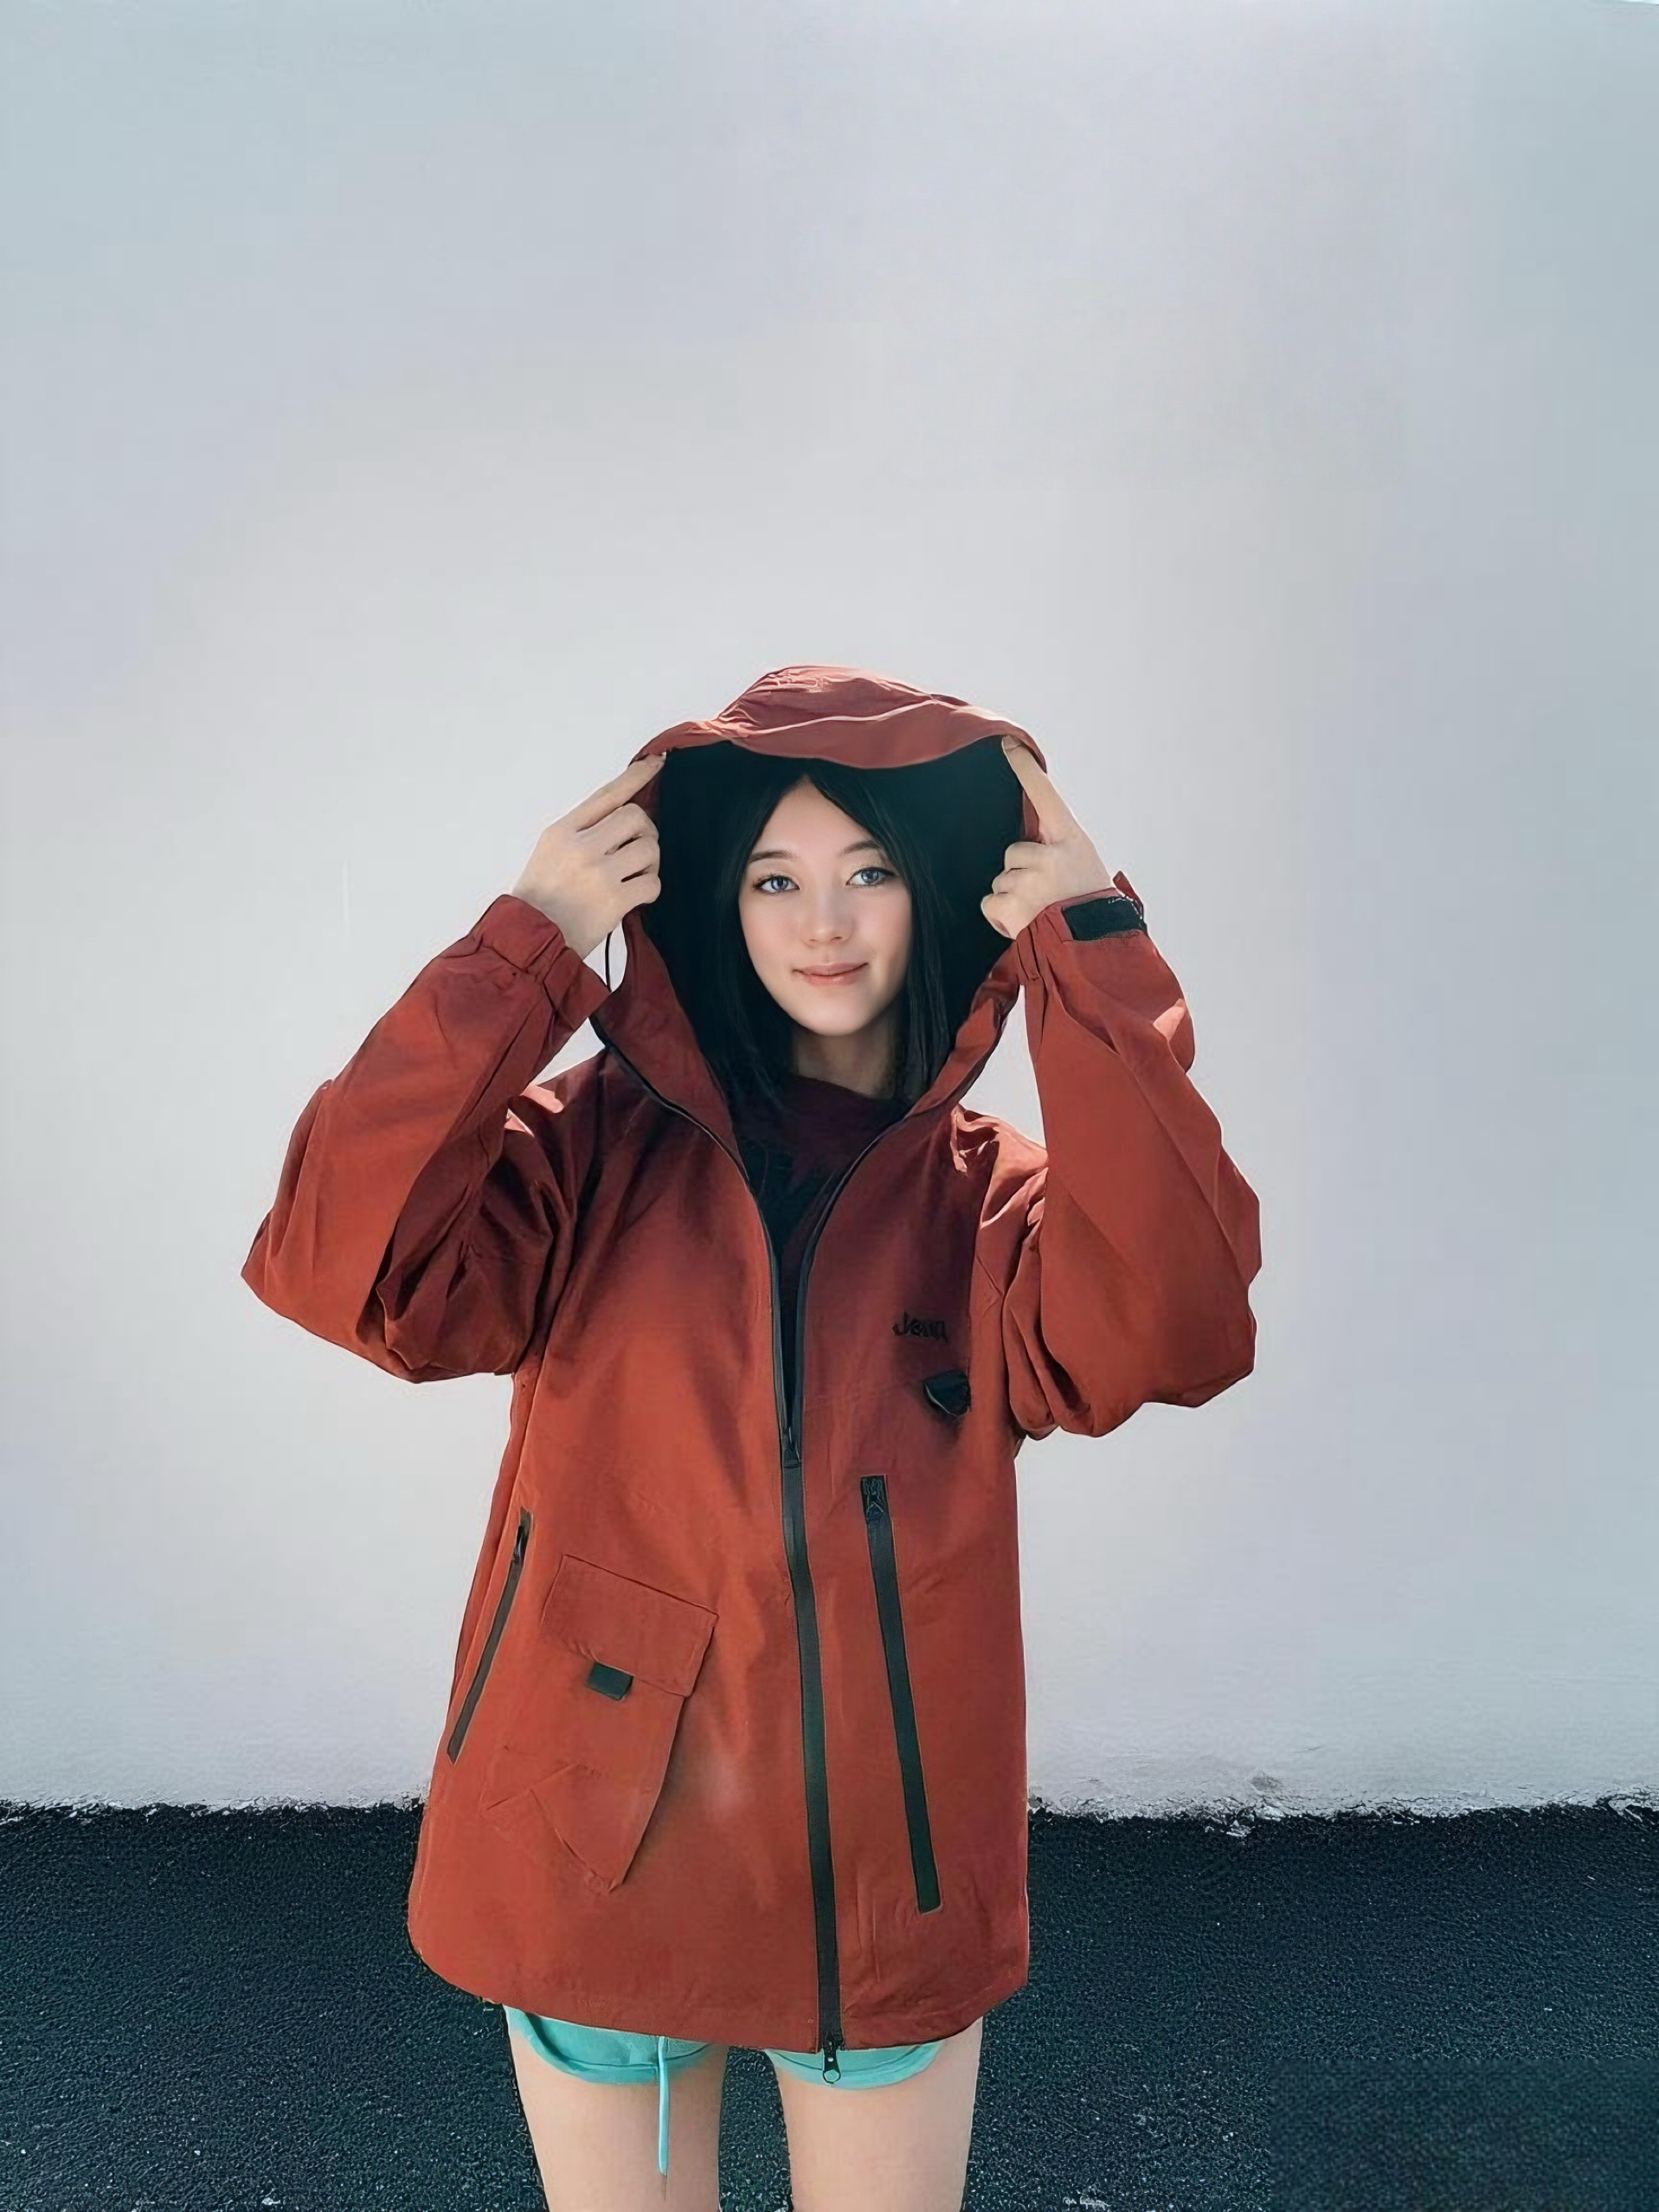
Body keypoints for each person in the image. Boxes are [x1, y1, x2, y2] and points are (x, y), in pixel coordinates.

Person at [241, 665, 1263, 2212]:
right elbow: (337, 1265)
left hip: (882, 1874)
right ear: (713, 904)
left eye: (868, 874)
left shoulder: (990, 1201)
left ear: (938, 897)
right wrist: (523, 944)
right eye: (774, 879)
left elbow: (1174, 1330)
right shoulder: (582, 1154)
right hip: (589, 1833)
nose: (822, 922)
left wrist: (1092, 945)